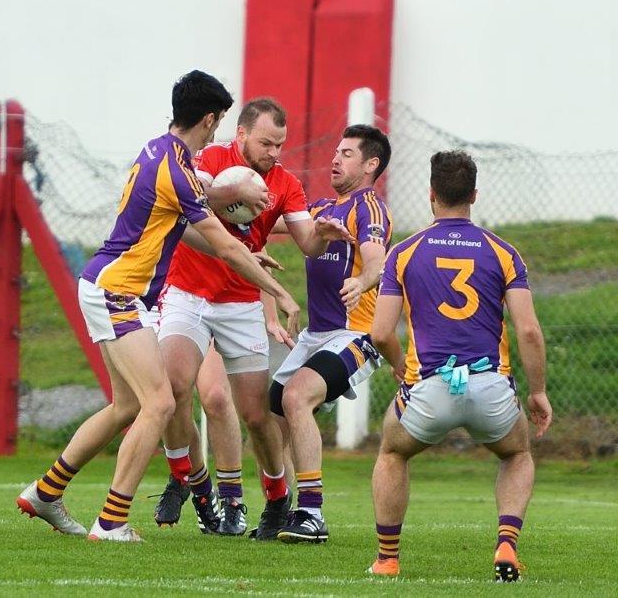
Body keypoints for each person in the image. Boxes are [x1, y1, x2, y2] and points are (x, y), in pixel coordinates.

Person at [14, 71, 299, 542]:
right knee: (160, 401)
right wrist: (281, 291)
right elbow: (223, 246)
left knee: (127, 404)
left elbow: (183, 231)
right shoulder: (179, 170)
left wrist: (247, 253)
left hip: (108, 285)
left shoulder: (158, 150)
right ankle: (111, 521)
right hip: (118, 291)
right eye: (218, 122)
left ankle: (46, 491)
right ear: (209, 119)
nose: (216, 131)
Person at [152, 97, 354, 539]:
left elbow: (306, 243)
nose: (274, 153)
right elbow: (187, 194)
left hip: (242, 301)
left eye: (280, 144)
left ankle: (277, 498)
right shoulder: (209, 157)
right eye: (266, 142)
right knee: (173, 386)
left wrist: (322, 235)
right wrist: (233, 191)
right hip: (187, 291)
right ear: (241, 134)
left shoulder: (285, 184)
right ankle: (188, 479)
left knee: (257, 415)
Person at [366, 150, 553, 579]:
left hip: (430, 387)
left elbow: (380, 334)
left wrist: (399, 366)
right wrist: (538, 391)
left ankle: (388, 559)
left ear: (431, 195)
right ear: (474, 195)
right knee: (518, 453)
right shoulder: (503, 252)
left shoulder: (404, 253)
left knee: (393, 452)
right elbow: (528, 331)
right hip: (490, 386)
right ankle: (506, 545)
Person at [267, 125, 394, 544]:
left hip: (355, 334)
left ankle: (312, 513)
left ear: (371, 164)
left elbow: (378, 260)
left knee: (296, 396)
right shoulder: (322, 207)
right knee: (271, 412)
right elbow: (270, 224)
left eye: (347, 153)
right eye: (336, 151)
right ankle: (283, 507)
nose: (335, 159)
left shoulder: (369, 208)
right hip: (316, 335)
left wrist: (364, 280)